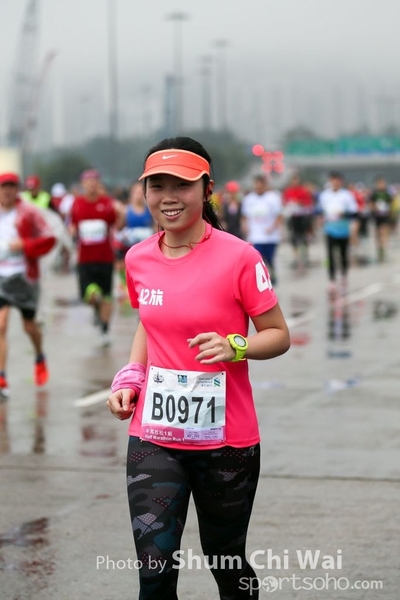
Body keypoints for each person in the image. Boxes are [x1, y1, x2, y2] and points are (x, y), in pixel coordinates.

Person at [107, 137, 290, 600]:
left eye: (182, 186)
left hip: (226, 441)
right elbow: (149, 323)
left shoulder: (239, 257)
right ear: (143, 191)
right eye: (157, 186)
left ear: (207, 190)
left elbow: (278, 334)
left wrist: (236, 346)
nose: (168, 197)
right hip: (154, 435)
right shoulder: (138, 258)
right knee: (154, 572)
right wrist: (131, 376)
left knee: (226, 561)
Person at [0, 172, 56, 397]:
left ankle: (40, 355)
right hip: (1, 277)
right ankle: (2, 378)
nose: (7, 191)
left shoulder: (28, 212)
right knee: (1, 325)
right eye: (3, 187)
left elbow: (49, 238)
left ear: (18, 190)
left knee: (29, 327)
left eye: (11, 187)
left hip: (24, 278)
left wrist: (24, 244)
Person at [70, 169, 124, 346]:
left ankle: (104, 331)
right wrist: (71, 231)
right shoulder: (77, 204)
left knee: (107, 297)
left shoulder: (107, 204)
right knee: (89, 296)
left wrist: (122, 214)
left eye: (94, 181)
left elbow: (118, 226)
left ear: (98, 183)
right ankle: (97, 309)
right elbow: (73, 225)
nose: (92, 184)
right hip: (85, 260)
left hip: (105, 259)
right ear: (83, 184)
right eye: (88, 181)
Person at [317, 172, 358, 294]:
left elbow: (354, 212)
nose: (335, 183)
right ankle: (332, 280)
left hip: (343, 230)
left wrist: (343, 214)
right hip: (330, 229)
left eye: (337, 180)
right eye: (333, 180)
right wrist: (320, 218)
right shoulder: (324, 195)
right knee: (330, 255)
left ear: (341, 181)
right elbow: (319, 210)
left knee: (343, 254)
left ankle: (344, 276)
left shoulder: (347, 195)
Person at [241, 174, 283, 285]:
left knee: (269, 258)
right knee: (258, 259)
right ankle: (262, 280)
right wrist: (245, 225)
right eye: (257, 186)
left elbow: (279, 216)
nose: (258, 188)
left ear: (265, 185)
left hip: (270, 237)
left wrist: (272, 227)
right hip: (256, 236)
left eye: (260, 186)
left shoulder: (273, 198)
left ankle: (272, 274)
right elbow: (244, 216)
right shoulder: (249, 199)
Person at [113, 181, 154, 294]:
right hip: (128, 250)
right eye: (136, 192)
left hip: (146, 252)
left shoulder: (150, 210)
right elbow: (118, 228)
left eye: (141, 192)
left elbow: (156, 229)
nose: (138, 195)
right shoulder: (126, 210)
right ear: (131, 193)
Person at [282, 173, 314, 269]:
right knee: (293, 237)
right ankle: (295, 256)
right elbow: (284, 202)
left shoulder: (303, 191)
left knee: (303, 236)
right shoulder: (288, 191)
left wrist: (300, 202)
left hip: (302, 216)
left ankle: (305, 254)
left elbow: (308, 203)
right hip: (292, 217)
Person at [368, 176, 394, 262]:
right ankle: (379, 249)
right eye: (379, 183)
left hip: (385, 216)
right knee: (378, 234)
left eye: (383, 183)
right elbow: (370, 203)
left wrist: (390, 212)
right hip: (377, 216)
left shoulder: (387, 193)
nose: (381, 185)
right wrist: (375, 208)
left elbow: (391, 203)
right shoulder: (374, 194)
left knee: (383, 232)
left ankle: (384, 249)